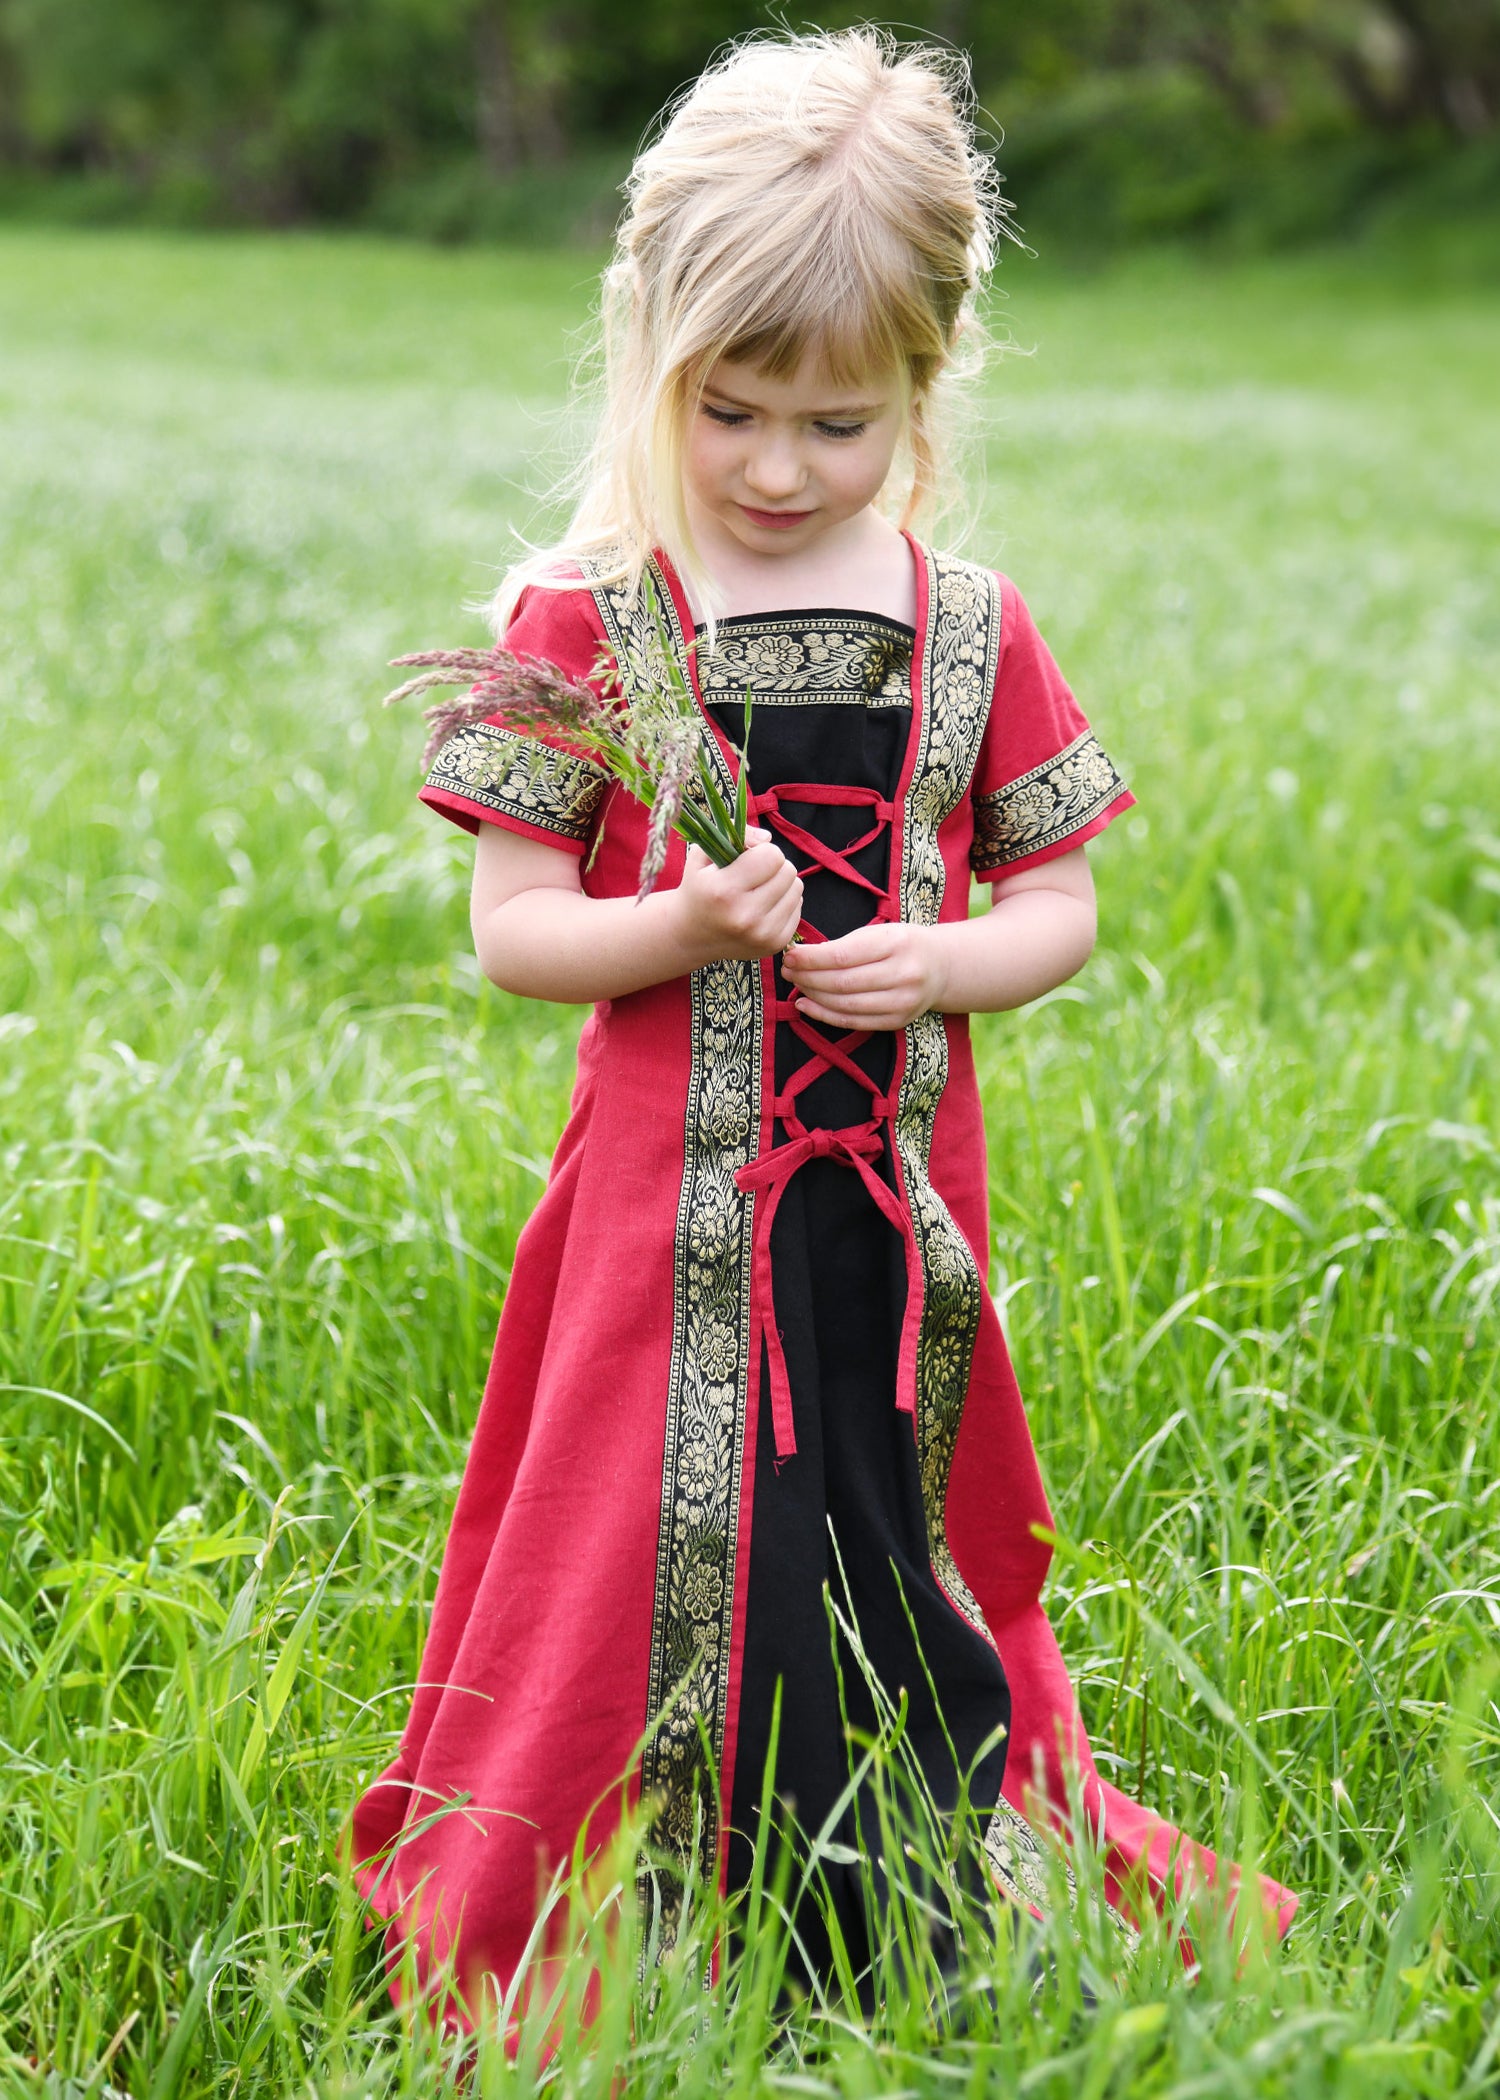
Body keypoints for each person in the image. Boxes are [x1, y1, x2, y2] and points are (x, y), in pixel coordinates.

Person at [351, 27, 1296, 2026]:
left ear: (927, 390)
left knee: (895, 1526)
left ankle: (912, 1878)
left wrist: (944, 962)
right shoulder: (584, 624)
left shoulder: (970, 625)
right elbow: (511, 931)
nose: (782, 468)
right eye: (737, 411)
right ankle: (620, 1886)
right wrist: (677, 919)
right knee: (640, 1552)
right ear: (655, 357)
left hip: (896, 1223)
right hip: (656, 1234)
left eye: (839, 425)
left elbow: (1062, 900)